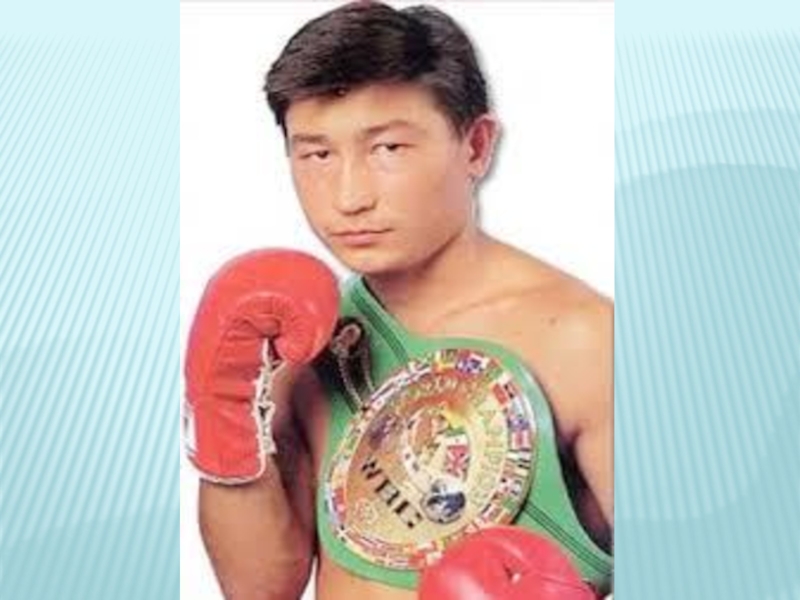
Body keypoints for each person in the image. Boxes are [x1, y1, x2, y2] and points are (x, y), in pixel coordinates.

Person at [183, 2, 613, 598]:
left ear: (476, 145)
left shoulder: (584, 341)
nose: (349, 196)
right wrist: (220, 407)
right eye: (317, 154)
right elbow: (259, 587)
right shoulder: (307, 341)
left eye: (387, 149)